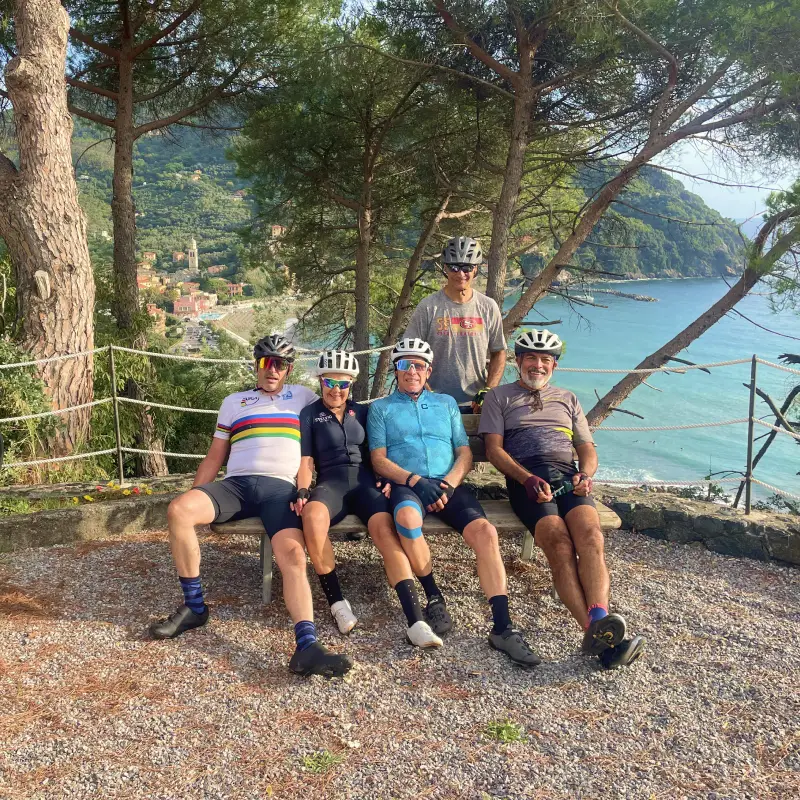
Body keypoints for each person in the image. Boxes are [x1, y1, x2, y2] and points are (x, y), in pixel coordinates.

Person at [149, 334, 353, 679]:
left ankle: (307, 646)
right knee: (179, 511)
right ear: (256, 365)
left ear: (289, 370)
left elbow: (338, 403)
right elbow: (215, 455)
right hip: (236, 486)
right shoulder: (234, 402)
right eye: (265, 362)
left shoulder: (303, 397)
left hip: (280, 490)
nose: (272, 370)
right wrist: (200, 494)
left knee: (293, 556)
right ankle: (194, 607)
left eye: (280, 364)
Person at [367, 338, 541, 665]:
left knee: (486, 533)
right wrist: (415, 482)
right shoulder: (381, 408)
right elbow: (379, 459)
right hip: (409, 485)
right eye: (405, 365)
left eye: (419, 365)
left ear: (429, 371)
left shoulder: (446, 404)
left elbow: (464, 452)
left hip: (448, 484)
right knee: (406, 519)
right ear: (396, 370)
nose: (412, 371)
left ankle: (503, 626)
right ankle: (434, 596)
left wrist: (447, 484)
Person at [480, 329, 645, 669]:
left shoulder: (568, 399)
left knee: (592, 538)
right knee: (559, 545)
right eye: (530, 358)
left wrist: (586, 474)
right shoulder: (498, 397)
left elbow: (586, 448)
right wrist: (526, 478)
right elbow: (494, 450)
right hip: (527, 480)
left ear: (554, 365)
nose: (537, 365)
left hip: (569, 478)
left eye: (545, 359)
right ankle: (596, 633)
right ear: (517, 361)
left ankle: (599, 620)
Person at [295, 350, 443, 645]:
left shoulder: (363, 412)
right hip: (331, 484)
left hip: (365, 485)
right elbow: (306, 461)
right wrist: (302, 489)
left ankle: (416, 621)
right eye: (330, 382)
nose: (336, 390)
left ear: (351, 385)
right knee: (311, 517)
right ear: (320, 382)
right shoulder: (310, 414)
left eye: (343, 384)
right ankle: (337, 603)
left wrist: (386, 479)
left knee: (385, 532)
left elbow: (378, 454)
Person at [403, 235, 506, 412]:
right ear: (445, 268)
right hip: (433, 402)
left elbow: (499, 352)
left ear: (476, 269)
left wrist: (488, 391)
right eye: (454, 267)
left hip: (475, 404)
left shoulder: (488, 307)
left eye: (467, 268)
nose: (460, 274)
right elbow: (408, 353)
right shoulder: (428, 307)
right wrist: (425, 391)